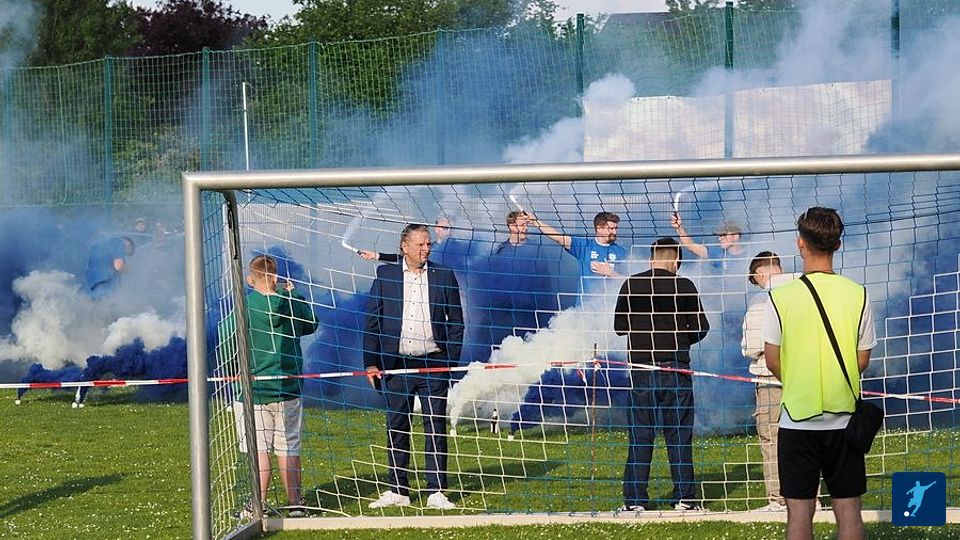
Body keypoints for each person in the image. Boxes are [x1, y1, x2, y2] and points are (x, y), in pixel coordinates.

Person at [764, 207, 876, 540]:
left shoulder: (779, 297)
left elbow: (772, 359)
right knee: (849, 510)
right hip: (844, 421)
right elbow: (862, 358)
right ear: (837, 245)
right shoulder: (858, 294)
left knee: (799, 515)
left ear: (800, 242)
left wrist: (802, 379)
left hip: (797, 420)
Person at [364, 223, 464, 510]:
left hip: (434, 363)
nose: (426, 249)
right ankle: (398, 490)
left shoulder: (444, 275)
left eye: (428, 244)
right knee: (397, 425)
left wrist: (449, 362)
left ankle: (436, 491)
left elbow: (456, 322)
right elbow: (372, 321)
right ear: (404, 247)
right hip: (396, 364)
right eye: (420, 244)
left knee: (435, 426)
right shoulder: (386, 275)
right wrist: (371, 363)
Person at [614, 237, 710, 512]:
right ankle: (685, 499)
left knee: (640, 435)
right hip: (675, 368)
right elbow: (701, 327)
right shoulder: (685, 285)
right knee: (679, 435)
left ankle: (635, 502)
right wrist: (678, 340)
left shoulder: (631, 284)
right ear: (677, 260)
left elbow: (619, 327)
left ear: (651, 258)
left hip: (642, 369)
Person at [230, 254, 318, 516]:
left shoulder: (245, 304)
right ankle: (295, 503)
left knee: (259, 450)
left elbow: (228, 335)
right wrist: (295, 295)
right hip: (287, 388)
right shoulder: (290, 301)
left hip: (253, 390)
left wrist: (235, 369)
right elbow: (311, 323)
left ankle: (257, 505)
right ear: (276, 278)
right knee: (289, 446)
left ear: (250, 279)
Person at [741, 251, 797, 512]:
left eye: (755, 279)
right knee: (805, 437)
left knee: (772, 438)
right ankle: (810, 497)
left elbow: (751, 346)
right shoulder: (802, 290)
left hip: (769, 376)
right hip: (803, 375)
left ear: (760, 272)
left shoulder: (760, 301)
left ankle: (778, 498)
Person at [530, 211, 626, 301]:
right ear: (599, 228)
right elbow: (558, 237)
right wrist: (535, 222)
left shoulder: (620, 251)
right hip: (585, 306)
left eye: (616, 228)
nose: (615, 232)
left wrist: (610, 273)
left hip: (609, 305)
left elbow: (626, 280)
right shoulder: (584, 246)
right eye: (611, 229)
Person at [670, 215, 745, 273]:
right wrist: (679, 227)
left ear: (736, 236)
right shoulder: (716, 253)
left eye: (724, 235)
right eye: (719, 235)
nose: (720, 238)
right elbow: (690, 245)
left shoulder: (749, 255)